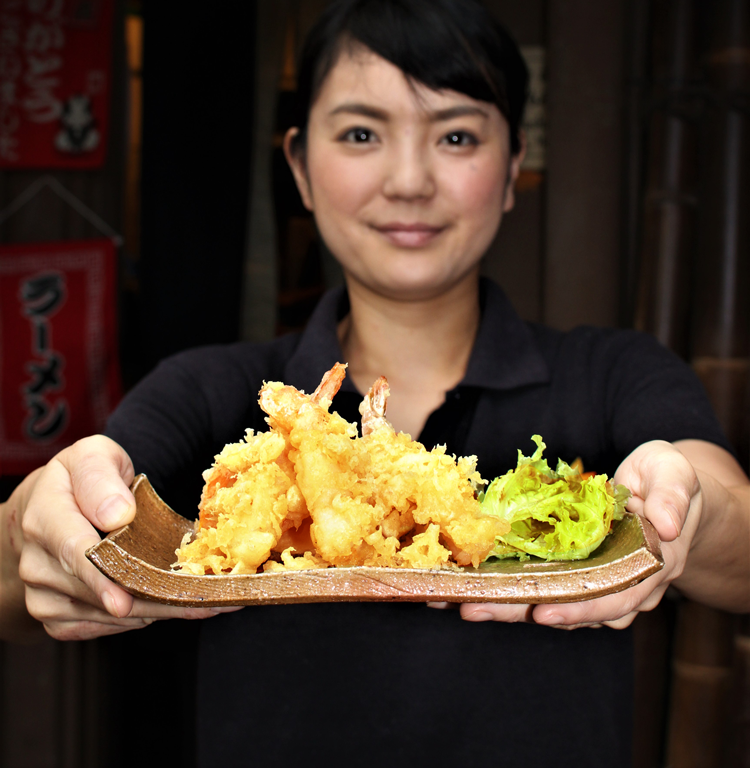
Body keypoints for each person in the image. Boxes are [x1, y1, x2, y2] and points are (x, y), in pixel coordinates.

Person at [1, 1, 748, 765]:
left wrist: (690, 511)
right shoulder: (204, 387)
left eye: (456, 135)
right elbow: (56, 542)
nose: (409, 179)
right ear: (298, 165)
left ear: (513, 165)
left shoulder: (616, 372)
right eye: (362, 134)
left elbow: (733, 527)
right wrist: (35, 521)